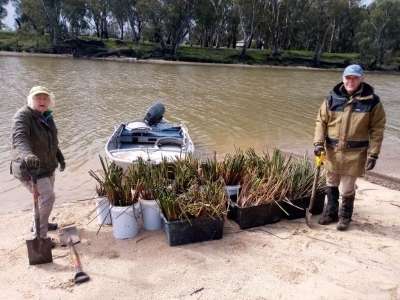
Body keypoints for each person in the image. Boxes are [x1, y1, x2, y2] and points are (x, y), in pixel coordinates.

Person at [314, 64, 386, 231]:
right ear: (343, 78)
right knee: (331, 182)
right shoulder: (331, 98)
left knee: (347, 188)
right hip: (332, 151)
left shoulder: (373, 102)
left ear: (362, 78)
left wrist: (373, 154)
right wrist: (318, 144)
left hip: (355, 154)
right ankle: (331, 213)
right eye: (348, 77)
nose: (351, 81)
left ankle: (345, 217)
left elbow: (377, 129)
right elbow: (321, 122)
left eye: (355, 78)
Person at [11, 86, 66, 245]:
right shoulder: (23, 116)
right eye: (38, 98)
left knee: (44, 199)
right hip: (30, 168)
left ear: (49, 102)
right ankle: (39, 236)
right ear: (31, 100)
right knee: (48, 197)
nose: (42, 101)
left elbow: (52, 141)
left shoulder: (47, 116)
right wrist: (28, 155)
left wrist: (60, 158)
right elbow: (19, 138)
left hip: (47, 166)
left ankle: (40, 223)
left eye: (45, 98)